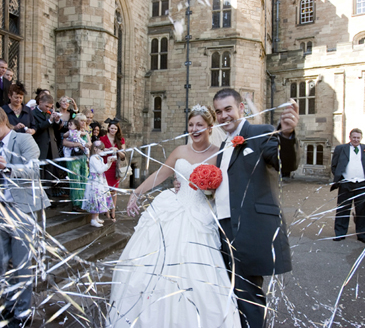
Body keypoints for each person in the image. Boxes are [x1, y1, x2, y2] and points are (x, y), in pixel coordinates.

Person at [115, 104, 241, 327]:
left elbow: (226, 188)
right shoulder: (180, 152)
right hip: (172, 209)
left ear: (210, 127)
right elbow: (160, 174)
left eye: (199, 125)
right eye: (191, 125)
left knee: (197, 269)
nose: (194, 129)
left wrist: (210, 191)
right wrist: (136, 192)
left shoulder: (219, 153)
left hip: (201, 215)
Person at [211, 88, 298, 328]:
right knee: (232, 292)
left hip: (251, 228)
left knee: (248, 295)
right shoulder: (222, 146)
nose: (223, 116)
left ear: (241, 108)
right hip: (223, 227)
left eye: (228, 109)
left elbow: (285, 163)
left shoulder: (262, 132)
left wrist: (287, 135)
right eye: (218, 112)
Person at [0, 103, 50, 328]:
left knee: (21, 265)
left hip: (22, 210)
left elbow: (33, 170)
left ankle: (23, 313)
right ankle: (8, 306)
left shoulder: (23, 140)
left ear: (1, 118)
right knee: (1, 264)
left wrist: (7, 166)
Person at [331, 128, 365, 243]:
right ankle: (340, 233)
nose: (356, 140)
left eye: (358, 138)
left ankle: (362, 235)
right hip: (346, 184)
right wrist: (340, 178)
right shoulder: (340, 148)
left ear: (361, 138)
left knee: (363, 210)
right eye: (354, 137)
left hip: (362, 184)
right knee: (343, 209)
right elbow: (334, 165)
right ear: (350, 137)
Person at [32, 93, 61, 197]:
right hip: (40, 145)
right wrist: (49, 120)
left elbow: (56, 129)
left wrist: (57, 120)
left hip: (51, 145)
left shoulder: (49, 113)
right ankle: (40, 195)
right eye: (46, 106)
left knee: (50, 171)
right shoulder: (33, 113)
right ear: (40, 102)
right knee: (40, 171)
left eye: (50, 106)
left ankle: (49, 195)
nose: (48, 108)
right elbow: (37, 128)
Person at [82, 141, 116, 227]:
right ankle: (93, 219)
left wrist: (109, 163)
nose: (103, 151)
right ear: (95, 148)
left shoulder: (99, 158)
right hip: (95, 182)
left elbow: (104, 168)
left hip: (100, 180)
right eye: (101, 149)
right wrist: (108, 163)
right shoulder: (93, 158)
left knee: (100, 197)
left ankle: (96, 217)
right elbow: (99, 170)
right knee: (96, 198)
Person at [100, 118, 126, 220]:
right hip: (105, 167)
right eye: (111, 128)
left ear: (117, 130)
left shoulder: (120, 140)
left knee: (114, 191)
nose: (113, 130)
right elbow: (99, 151)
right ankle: (106, 211)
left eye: (115, 129)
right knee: (105, 190)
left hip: (115, 168)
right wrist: (108, 149)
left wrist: (117, 150)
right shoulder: (102, 139)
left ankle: (113, 211)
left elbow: (123, 155)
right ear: (108, 128)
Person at [64, 113, 90, 211]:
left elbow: (90, 143)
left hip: (83, 158)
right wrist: (77, 144)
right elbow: (64, 142)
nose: (84, 123)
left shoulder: (85, 133)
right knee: (76, 179)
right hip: (73, 158)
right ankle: (76, 203)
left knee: (84, 179)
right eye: (81, 121)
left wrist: (88, 144)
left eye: (85, 121)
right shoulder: (71, 132)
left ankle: (83, 202)